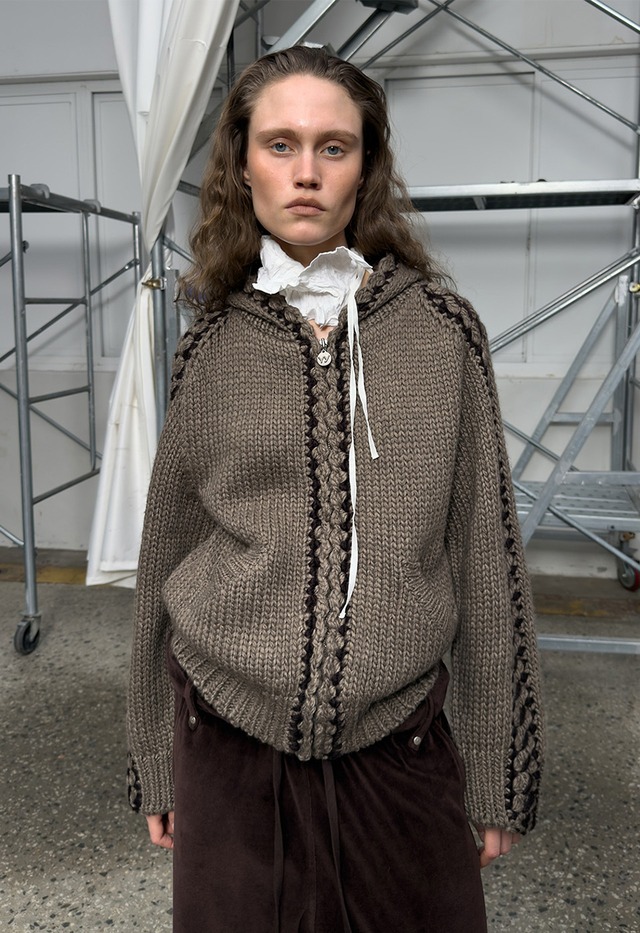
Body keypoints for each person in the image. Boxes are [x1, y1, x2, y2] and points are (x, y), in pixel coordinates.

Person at [127, 45, 544, 933]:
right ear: (242, 164)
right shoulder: (209, 345)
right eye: (279, 144)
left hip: (401, 743)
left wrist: (498, 768)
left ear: (368, 166)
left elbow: (486, 558)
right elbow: (165, 552)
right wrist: (155, 754)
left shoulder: (442, 332)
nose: (306, 173)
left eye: (334, 146)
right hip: (225, 740)